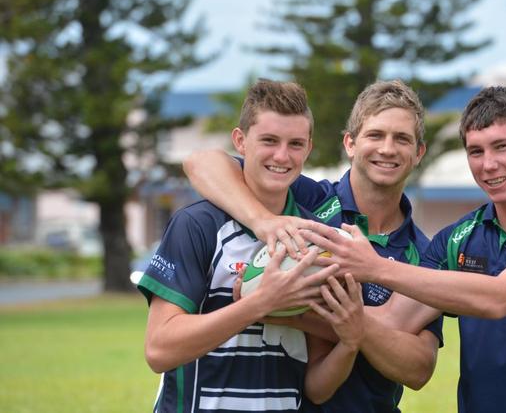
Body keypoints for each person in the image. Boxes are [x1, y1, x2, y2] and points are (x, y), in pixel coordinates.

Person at [302, 86, 506, 412]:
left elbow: (500, 297)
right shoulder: (456, 240)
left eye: (502, 147)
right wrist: (270, 305)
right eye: (476, 151)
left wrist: (375, 267)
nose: (488, 165)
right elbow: (389, 319)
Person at [183, 80, 444, 413]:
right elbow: (201, 162)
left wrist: (299, 315)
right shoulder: (307, 199)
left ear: (419, 152)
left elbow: (418, 368)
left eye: (402, 139)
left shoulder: (425, 254)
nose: (388, 149)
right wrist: (264, 221)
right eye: (375, 135)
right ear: (350, 143)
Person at [137, 79, 362, 413]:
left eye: (295, 144)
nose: (282, 156)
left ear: (309, 148)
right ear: (240, 141)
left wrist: (350, 342)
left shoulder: (318, 237)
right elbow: (159, 350)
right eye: (269, 141)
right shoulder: (198, 225)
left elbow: (316, 389)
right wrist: (259, 304)